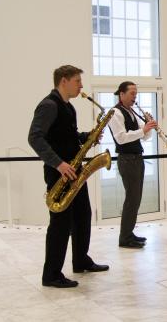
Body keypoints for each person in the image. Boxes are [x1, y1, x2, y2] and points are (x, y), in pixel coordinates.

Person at [28, 65, 109, 288]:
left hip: (74, 171)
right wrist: (59, 163)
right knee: (60, 224)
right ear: (64, 81)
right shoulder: (48, 105)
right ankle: (51, 274)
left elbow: (68, 137)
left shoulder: (69, 108)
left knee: (83, 215)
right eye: (77, 81)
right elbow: (35, 138)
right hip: (60, 172)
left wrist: (88, 136)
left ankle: (81, 260)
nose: (81, 86)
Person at [108, 81, 157, 249]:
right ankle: (125, 237)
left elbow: (144, 138)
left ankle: (129, 233)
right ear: (121, 94)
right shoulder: (115, 112)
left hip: (137, 158)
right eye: (132, 93)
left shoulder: (131, 112)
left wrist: (148, 126)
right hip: (127, 159)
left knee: (135, 199)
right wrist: (143, 130)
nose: (135, 97)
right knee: (132, 199)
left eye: (136, 94)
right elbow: (121, 137)